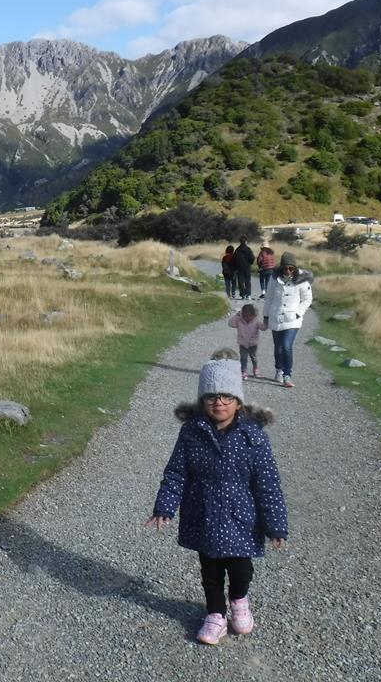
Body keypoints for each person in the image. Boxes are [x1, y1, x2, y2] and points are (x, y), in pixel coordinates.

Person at [146, 358, 288, 645]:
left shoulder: (253, 437)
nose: (219, 402)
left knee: (240, 569)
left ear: (238, 401)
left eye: (226, 396)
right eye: (211, 396)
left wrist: (276, 526)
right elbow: (176, 472)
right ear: (202, 400)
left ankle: (239, 601)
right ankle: (215, 614)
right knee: (210, 571)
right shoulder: (191, 432)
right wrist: (164, 507)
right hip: (204, 515)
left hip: (241, 520)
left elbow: (268, 484)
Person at [262, 252, 313, 388]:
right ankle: (279, 369)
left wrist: (298, 313)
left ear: (295, 268)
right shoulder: (274, 278)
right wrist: (265, 317)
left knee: (286, 346)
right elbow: (269, 299)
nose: (288, 271)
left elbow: (307, 299)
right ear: (281, 267)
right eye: (285, 268)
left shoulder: (302, 280)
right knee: (278, 348)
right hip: (275, 316)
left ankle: (287, 375)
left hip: (292, 319)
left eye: (291, 268)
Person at [228, 304, 264, 379]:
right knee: (243, 358)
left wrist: (267, 321)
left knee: (253, 357)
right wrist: (236, 316)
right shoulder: (239, 320)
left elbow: (263, 328)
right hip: (242, 343)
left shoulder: (256, 321)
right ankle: (244, 371)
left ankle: (255, 368)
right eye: (245, 316)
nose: (247, 318)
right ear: (242, 314)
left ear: (254, 315)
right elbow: (231, 324)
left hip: (253, 343)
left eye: (249, 316)